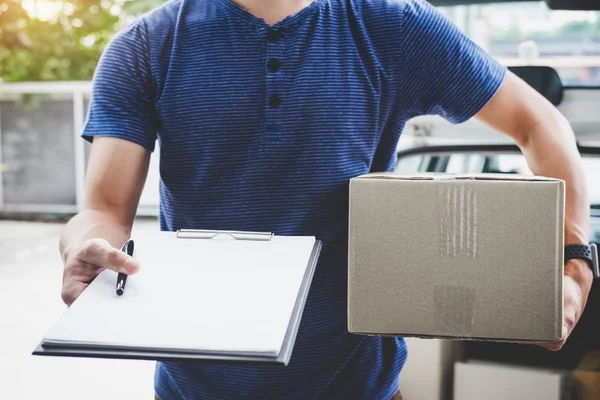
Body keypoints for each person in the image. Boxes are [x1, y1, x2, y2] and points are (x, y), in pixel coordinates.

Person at [58, 0, 593, 399]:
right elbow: (104, 207)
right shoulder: (145, 45)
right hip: (194, 385)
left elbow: (538, 121)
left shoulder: (394, 26)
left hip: (356, 383)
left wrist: (575, 260)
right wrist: (86, 248)